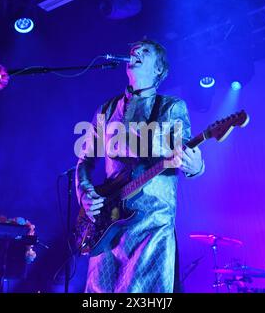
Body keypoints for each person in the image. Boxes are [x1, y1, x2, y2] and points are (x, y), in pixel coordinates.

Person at [75, 39, 204, 292]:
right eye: (133, 50)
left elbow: (186, 151)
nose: (135, 52)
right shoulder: (107, 108)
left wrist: (197, 166)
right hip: (108, 224)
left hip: (152, 226)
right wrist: (85, 195)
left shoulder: (171, 107)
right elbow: (85, 161)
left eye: (145, 51)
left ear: (159, 70)